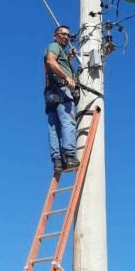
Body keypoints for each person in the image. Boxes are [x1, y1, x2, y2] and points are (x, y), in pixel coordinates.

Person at [44, 25, 80, 174]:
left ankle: (58, 161)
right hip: (61, 89)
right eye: (63, 34)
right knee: (68, 121)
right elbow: (51, 61)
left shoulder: (61, 52)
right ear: (55, 36)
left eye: (68, 35)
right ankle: (70, 156)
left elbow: (57, 63)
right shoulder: (54, 46)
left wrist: (69, 58)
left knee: (54, 127)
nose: (66, 37)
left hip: (50, 92)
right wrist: (67, 77)